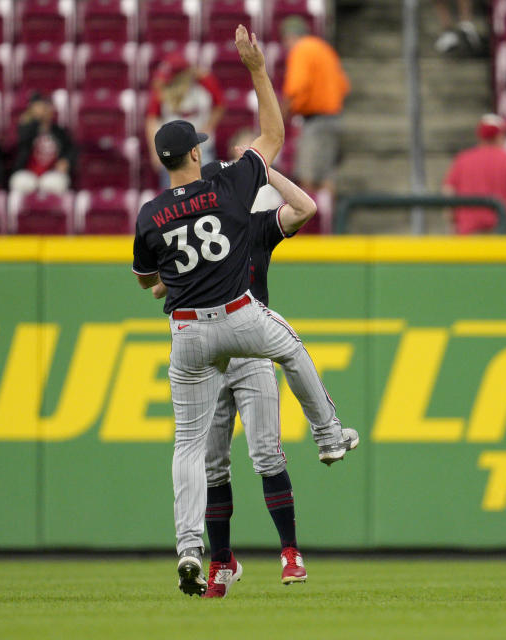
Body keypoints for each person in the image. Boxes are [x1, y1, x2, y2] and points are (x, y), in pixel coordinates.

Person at [132, 25, 358, 597]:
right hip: (238, 314)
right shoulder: (232, 188)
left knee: (188, 447)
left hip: (186, 332)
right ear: (194, 152)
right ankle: (329, 434)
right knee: (292, 348)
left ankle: (189, 548)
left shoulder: (149, 213)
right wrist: (256, 68)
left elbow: (147, 283)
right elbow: (275, 132)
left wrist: (178, 274)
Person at [150, 148, 319, 597]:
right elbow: (159, 284)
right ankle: (222, 561)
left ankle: (290, 551)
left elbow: (304, 209)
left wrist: (267, 169)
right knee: (212, 465)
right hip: (208, 355)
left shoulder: (255, 225)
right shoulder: (205, 232)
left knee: (266, 453)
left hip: (250, 347)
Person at [280, 16, 350, 198]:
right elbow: (344, 86)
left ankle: (311, 226)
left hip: (317, 121)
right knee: (326, 178)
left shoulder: (302, 49)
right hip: (334, 118)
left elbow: (296, 87)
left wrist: (282, 114)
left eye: (285, 40)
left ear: (291, 36)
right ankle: (328, 223)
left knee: (307, 178)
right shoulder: (324, 48)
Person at [442, 114, 506, 234]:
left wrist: (452, 224)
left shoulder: (462, 160)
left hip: (470, 236)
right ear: (500, 135)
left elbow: (448, 194)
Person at [145, 52, 226, 185]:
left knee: (205, 189)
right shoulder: (161, 88)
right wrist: (155, 152)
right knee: (174, 196)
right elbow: (152, 119)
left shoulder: (204, 81)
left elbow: (219, 105)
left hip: (201, 147)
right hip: (172, 150)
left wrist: (208, 127)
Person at [8, 93, 76, 195]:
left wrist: (66, 160)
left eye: (47, 107)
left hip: (51, 174)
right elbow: (18, 145)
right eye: (40, 107)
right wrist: (35, 121)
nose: (44, 110)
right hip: (28, 173)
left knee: (55, 183)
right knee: (20, 182)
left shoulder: (59, 131)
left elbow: (71, 150)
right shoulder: (25, 128)